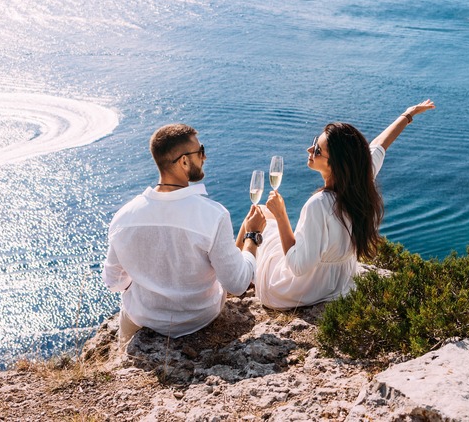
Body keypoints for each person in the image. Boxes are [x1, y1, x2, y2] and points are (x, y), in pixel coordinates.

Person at [252, 100, 435, 310]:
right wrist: (408, 114)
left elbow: (297, 266)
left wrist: (282, 215)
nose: (309, 149)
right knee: (265, 219)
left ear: (336, 164)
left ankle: (235, 279)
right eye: (314, 142)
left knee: (261, 216)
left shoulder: (318, 205)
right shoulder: (361, 182)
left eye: (318, 150)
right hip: (337, 285)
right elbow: (380, 145)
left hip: (295, 292)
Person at [103, 123, 266, 347]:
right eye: (201, 152)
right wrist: (253, 235)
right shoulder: (213, 214)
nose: (204, 157)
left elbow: (114, 282)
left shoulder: (124, 217)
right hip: (199, 319)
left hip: (142, 320)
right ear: (184, 161)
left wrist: (151, 283)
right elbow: (237, 284)